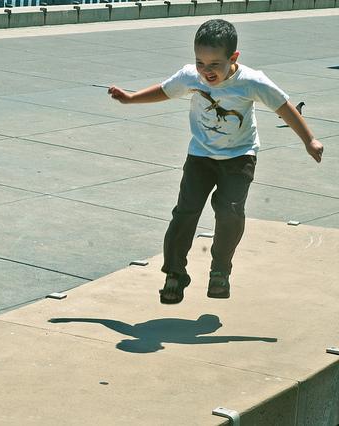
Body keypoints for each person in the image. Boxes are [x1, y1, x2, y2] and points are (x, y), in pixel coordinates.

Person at [108, 19, 323, 304]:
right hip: (200, 156)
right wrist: (131, 98)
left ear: (234, 58)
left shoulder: (251, 81)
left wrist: (309, 140)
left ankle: (220, 269)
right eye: (200, 62)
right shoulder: (190, 77)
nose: (206, 71)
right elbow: (165, 89)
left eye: (214, 64)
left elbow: (284, 107)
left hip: (239, 157)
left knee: (230, 211)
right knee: (185, 212)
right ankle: (175, 273)